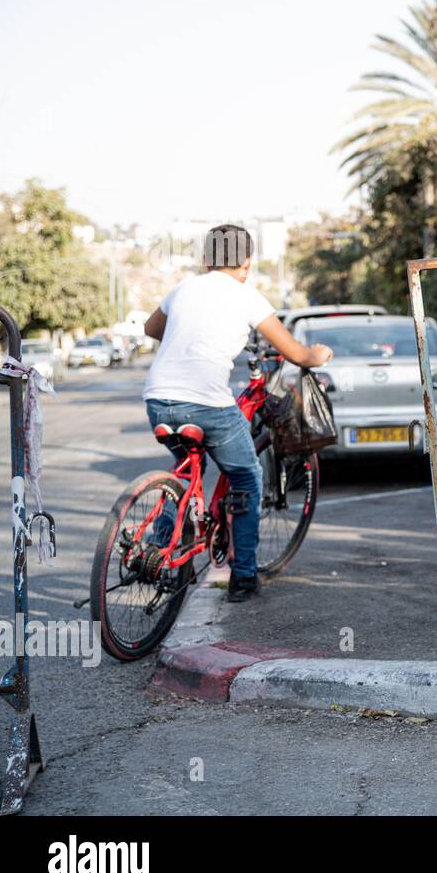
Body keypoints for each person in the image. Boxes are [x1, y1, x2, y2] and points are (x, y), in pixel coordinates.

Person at [142, 224, 333, 602]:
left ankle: (157, 545)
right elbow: (296, 354)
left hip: (158, 398)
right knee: (246, 478)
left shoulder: (183, 289)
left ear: (205, 260)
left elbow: (151, 328)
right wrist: (319, 355)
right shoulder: (247, 297)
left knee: (185, 472)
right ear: (247, 263)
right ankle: (244, 576)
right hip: (206, 403)